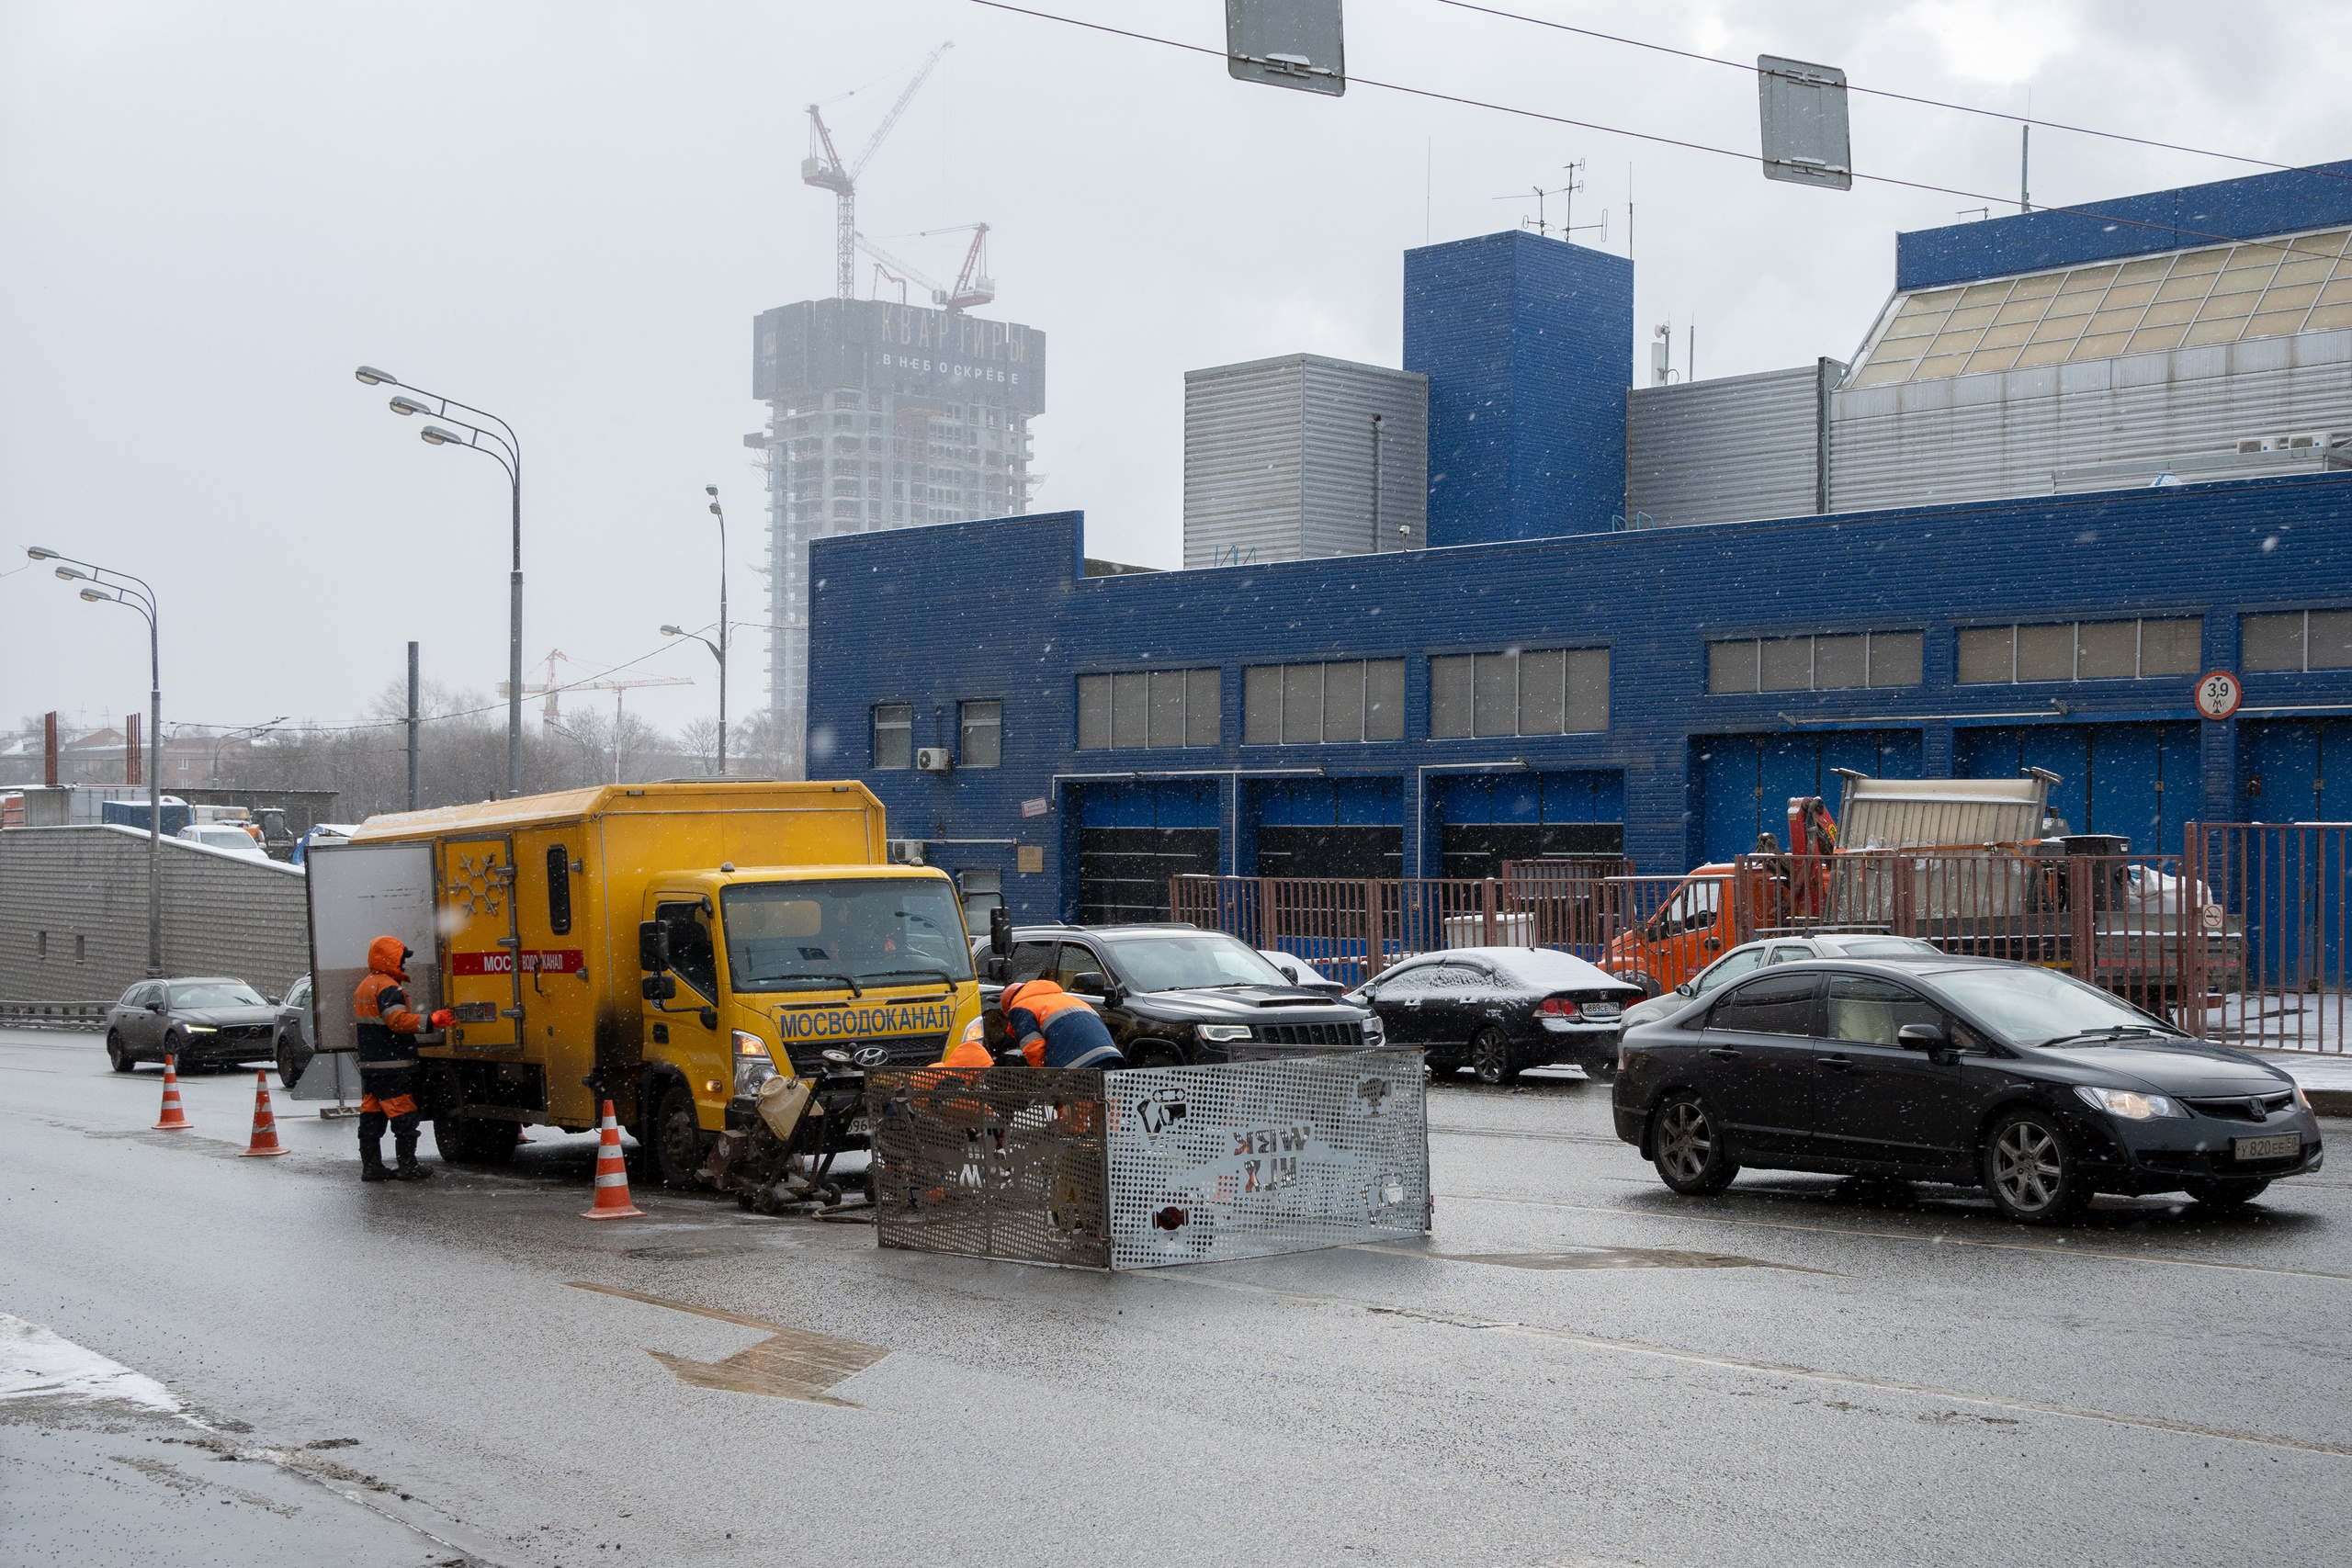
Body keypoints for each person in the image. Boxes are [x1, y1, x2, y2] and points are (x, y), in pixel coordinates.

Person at [352, 935, 454, 1183]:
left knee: (372, 1113)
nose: (404, 964)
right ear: (390, 959)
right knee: (404, 1115)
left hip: (371, 1064)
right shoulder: (388, 987)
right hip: (392, 1064)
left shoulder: (366, 984)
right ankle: (408, 1166)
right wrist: (431, 1020)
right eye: (401, 959)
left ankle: (372, 1167)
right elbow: (396, 1021)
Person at [998, 979, 1125, 1070]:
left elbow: (1033, 1047)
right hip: (1112, 1057)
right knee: (1108, 1104)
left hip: (1076, 1064)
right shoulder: (1069, 999)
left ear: (1009, 1006)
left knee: (1071, 1104)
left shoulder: (1020, 1007)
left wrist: (1046, 1075)